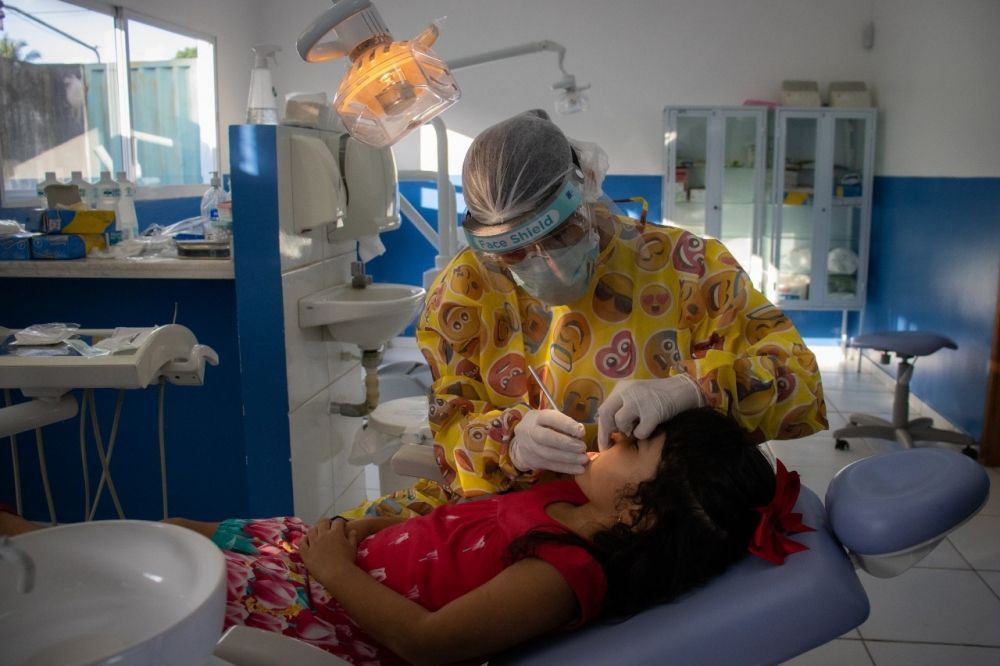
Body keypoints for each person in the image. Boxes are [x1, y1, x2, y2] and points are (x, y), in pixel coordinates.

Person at [0, 409, 810, 666]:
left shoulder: (563, 573)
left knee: (173, 578)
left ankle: (33, 568)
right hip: (339, 560)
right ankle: (30, 545)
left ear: (640, 514)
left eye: (633, 447)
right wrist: (376, 527)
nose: (609, 435)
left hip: (341, 613)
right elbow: (459, 524)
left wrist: (331, 564)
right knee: (175, 530)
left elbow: (424, 644)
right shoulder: (567, 495)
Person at [347, 109, 826, 518]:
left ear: (588, 188)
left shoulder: (688, 269)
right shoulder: (467, 291)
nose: (545, 262)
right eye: (514, 254)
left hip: (655, 519)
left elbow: (801, 384)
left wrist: (693, 390)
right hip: (519, 515)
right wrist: (506, 442)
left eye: (560, 235)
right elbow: (452, 428)